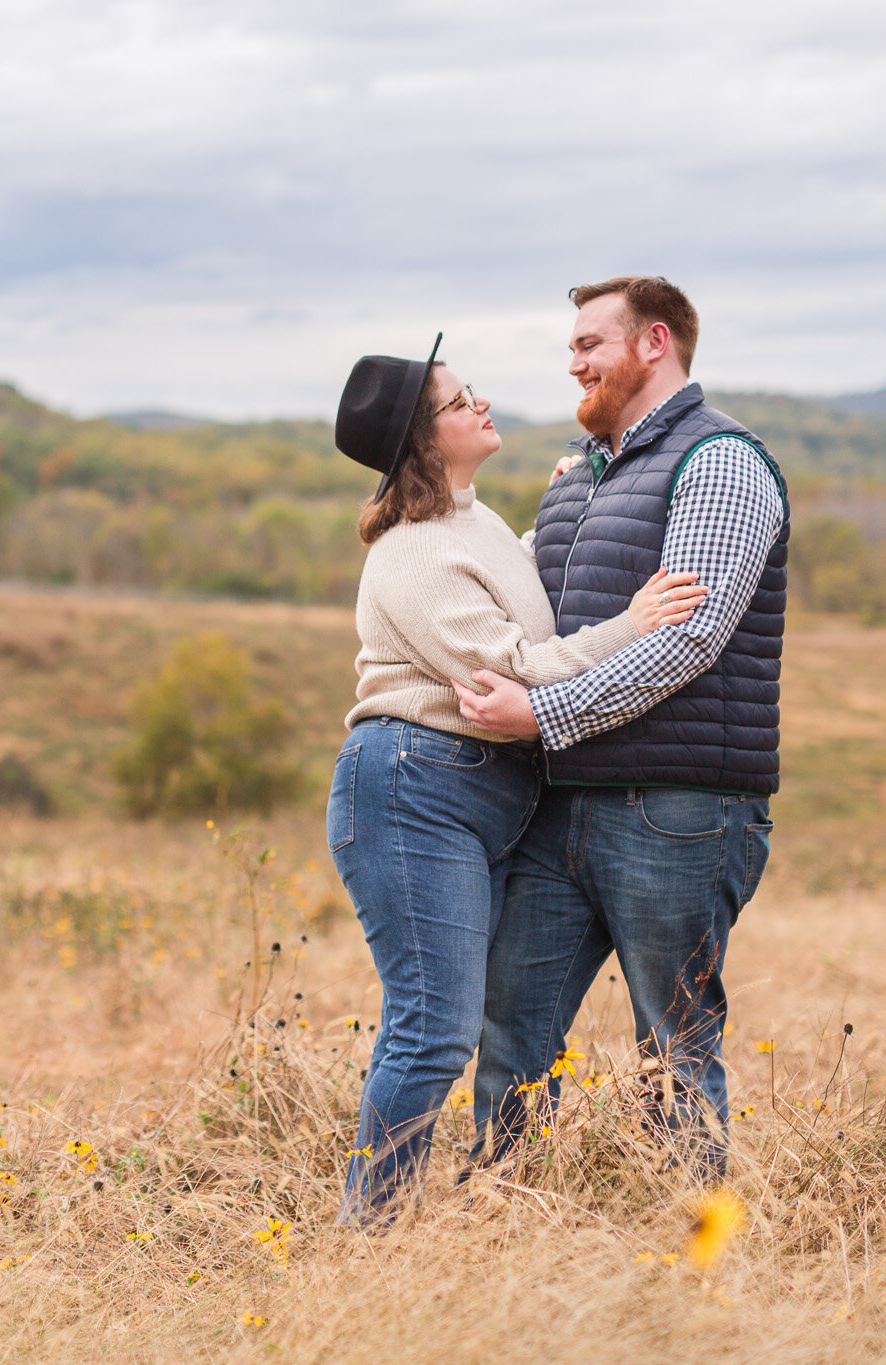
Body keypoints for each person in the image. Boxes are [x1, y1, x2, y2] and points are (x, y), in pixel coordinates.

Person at [327, 334, 707, 1222]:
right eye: (460, 403)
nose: (481, 406)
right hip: (416, 786)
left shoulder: (473, 523)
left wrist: (582, 489)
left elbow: (533, 575)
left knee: (453, 1020)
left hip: (475, 791)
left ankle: (463, 1207)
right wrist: (637, 621)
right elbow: (521, 666)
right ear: (423, 442)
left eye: (472, 392)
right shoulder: (414, 552)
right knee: (433, 1026)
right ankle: (367, 1230)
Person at [452, 277, 790, 1179]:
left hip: (676, 810)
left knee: (672, 1047)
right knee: (511, 1023)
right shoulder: (580, 475)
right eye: (571, 346)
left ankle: (695, 1250)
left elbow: (690, 637)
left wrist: (540, 714)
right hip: (558, 806)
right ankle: (499, 1222)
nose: (574, 361)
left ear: (653, 344)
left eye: (591, 343)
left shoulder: (720, 463)